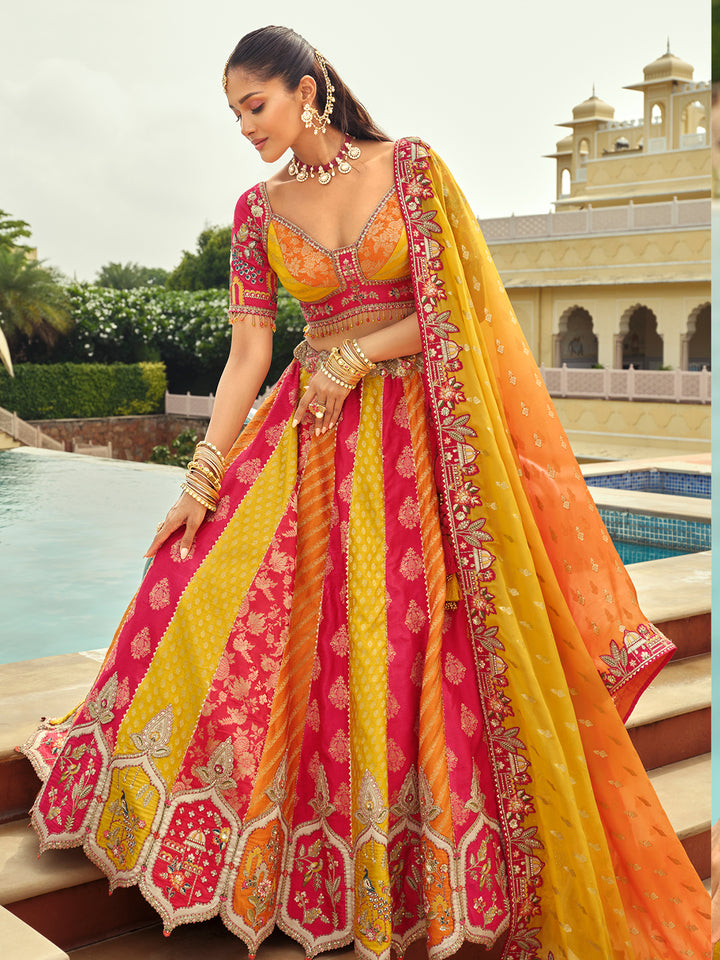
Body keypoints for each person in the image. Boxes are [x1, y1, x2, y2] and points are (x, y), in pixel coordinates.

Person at [21, 25, 709, 960]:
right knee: (219, 604)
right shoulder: (258, 211)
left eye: (254, 106)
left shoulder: (410, 169)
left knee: (404, 635)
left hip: (420, 447)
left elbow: (456, 314)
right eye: (233, 115)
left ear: (309, 91)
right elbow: (249, 356)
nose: (245, 128)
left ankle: (412, 866)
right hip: (306, 438)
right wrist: (202, 472)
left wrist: (359, 350)